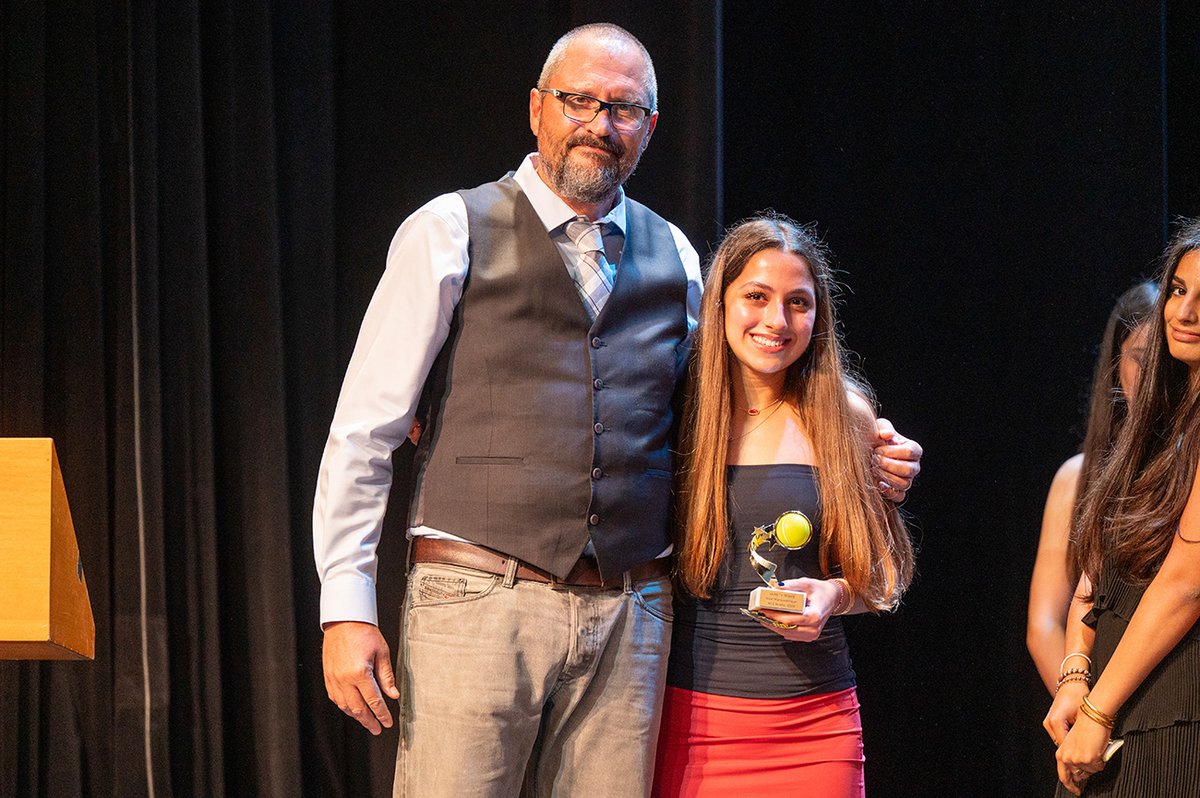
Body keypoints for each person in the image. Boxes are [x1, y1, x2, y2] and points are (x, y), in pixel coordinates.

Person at [313, 24, 922, 797]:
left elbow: (742, 383)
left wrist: (861, 431)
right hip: (478, 595)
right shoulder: (449, 230)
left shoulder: (677, 257)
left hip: (630, 616)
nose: (599, 123)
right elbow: (364, 432)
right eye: (578, 100)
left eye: (624, 108)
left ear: (650, 128)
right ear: (537, 109)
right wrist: (347, 607)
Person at [652, 214, 916, 797]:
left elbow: (885, 572)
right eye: (757, 296)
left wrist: (833, 595)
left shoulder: (844, 415)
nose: (777, 320)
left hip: (816, 728)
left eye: (798, 302)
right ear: (719, 302)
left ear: (818, 316)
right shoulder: (674, 407)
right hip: (691, 726)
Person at [1045, 218, 1200, 796]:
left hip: (1172, 718)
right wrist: (1074, 675)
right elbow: (1095, 580)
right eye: (1179, 290)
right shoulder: (1152, 434)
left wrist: (1097, 710)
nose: (1185, 312)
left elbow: (1186, 583)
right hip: (1112, 718)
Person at [1027, 282, 1157, 694]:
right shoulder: (1079, 476)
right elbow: (1044, 623)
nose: (1154, 377)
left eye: (1165, 362)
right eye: (1141, 360)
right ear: (1117, 364)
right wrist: (1084, 709)